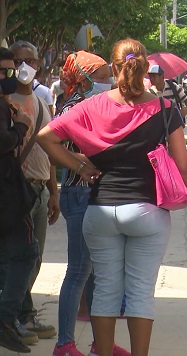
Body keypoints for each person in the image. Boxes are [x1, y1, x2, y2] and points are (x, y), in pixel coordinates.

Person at [36, 38, 187, 356]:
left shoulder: (91, 106)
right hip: (147, 211)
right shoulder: (164, 108)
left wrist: (79, 166)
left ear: (114, 67)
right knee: (140, 293)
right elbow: (184, 165)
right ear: (146, 66)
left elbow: (46, 137)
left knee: (105, 293)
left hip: (99, 210)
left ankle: (101, 351)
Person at [50, 51, 131, 356]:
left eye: (107, 76)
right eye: (99, 78)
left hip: (94, 194)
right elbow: (53, 145)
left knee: (96, 273)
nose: (107, 82)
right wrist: (90, 162)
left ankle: (102, 343)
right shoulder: (73, 107)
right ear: (82, 80)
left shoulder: (95, 104)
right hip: (79, 193)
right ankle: (64, 344)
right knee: (80, 270)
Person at [7, 39, 59, 342]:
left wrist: (54, 193)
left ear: (38, 65)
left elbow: (49, 151)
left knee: (34, 257)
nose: (22, 67)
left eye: (28, 61)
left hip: (40, 190)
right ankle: (16, 317)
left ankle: (23, 314)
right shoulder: (7, 101)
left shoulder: (40, 102)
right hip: (18, 191)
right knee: (22, 256)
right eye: (16, 61)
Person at [0, 46, 39, 354]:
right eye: (4, 72)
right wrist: (21, 125)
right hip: (8, 195)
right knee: (25, 253)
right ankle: (6, 318)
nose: (9, 77)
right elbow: (4, 142)